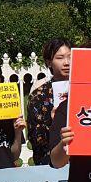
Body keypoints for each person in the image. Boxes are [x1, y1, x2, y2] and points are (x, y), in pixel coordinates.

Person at [25, 38, 72, 166]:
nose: (66, 62)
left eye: (70, 57)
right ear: (49, 62)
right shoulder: (39, 95)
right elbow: (35, 138)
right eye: (60, 58)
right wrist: (52, 122)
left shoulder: (85, 88)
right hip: (51, 164)